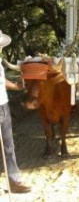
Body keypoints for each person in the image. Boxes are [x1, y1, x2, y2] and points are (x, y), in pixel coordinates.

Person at [0, 30, 31, 193]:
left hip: (2, 106)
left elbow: (1, 80)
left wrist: (17, 86)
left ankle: (14, 180)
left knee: (8, 145)